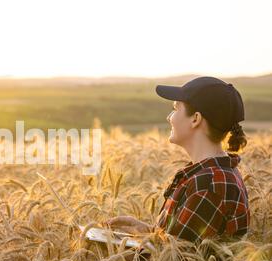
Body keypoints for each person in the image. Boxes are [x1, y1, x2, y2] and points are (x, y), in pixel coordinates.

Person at [107, 77, 250, 244]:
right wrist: (145, 231)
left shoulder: (208, 185)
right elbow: (180, 244)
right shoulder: (207, 174)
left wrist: (110, 254)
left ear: (195, 119)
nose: (169, 117)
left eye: (175, 109)